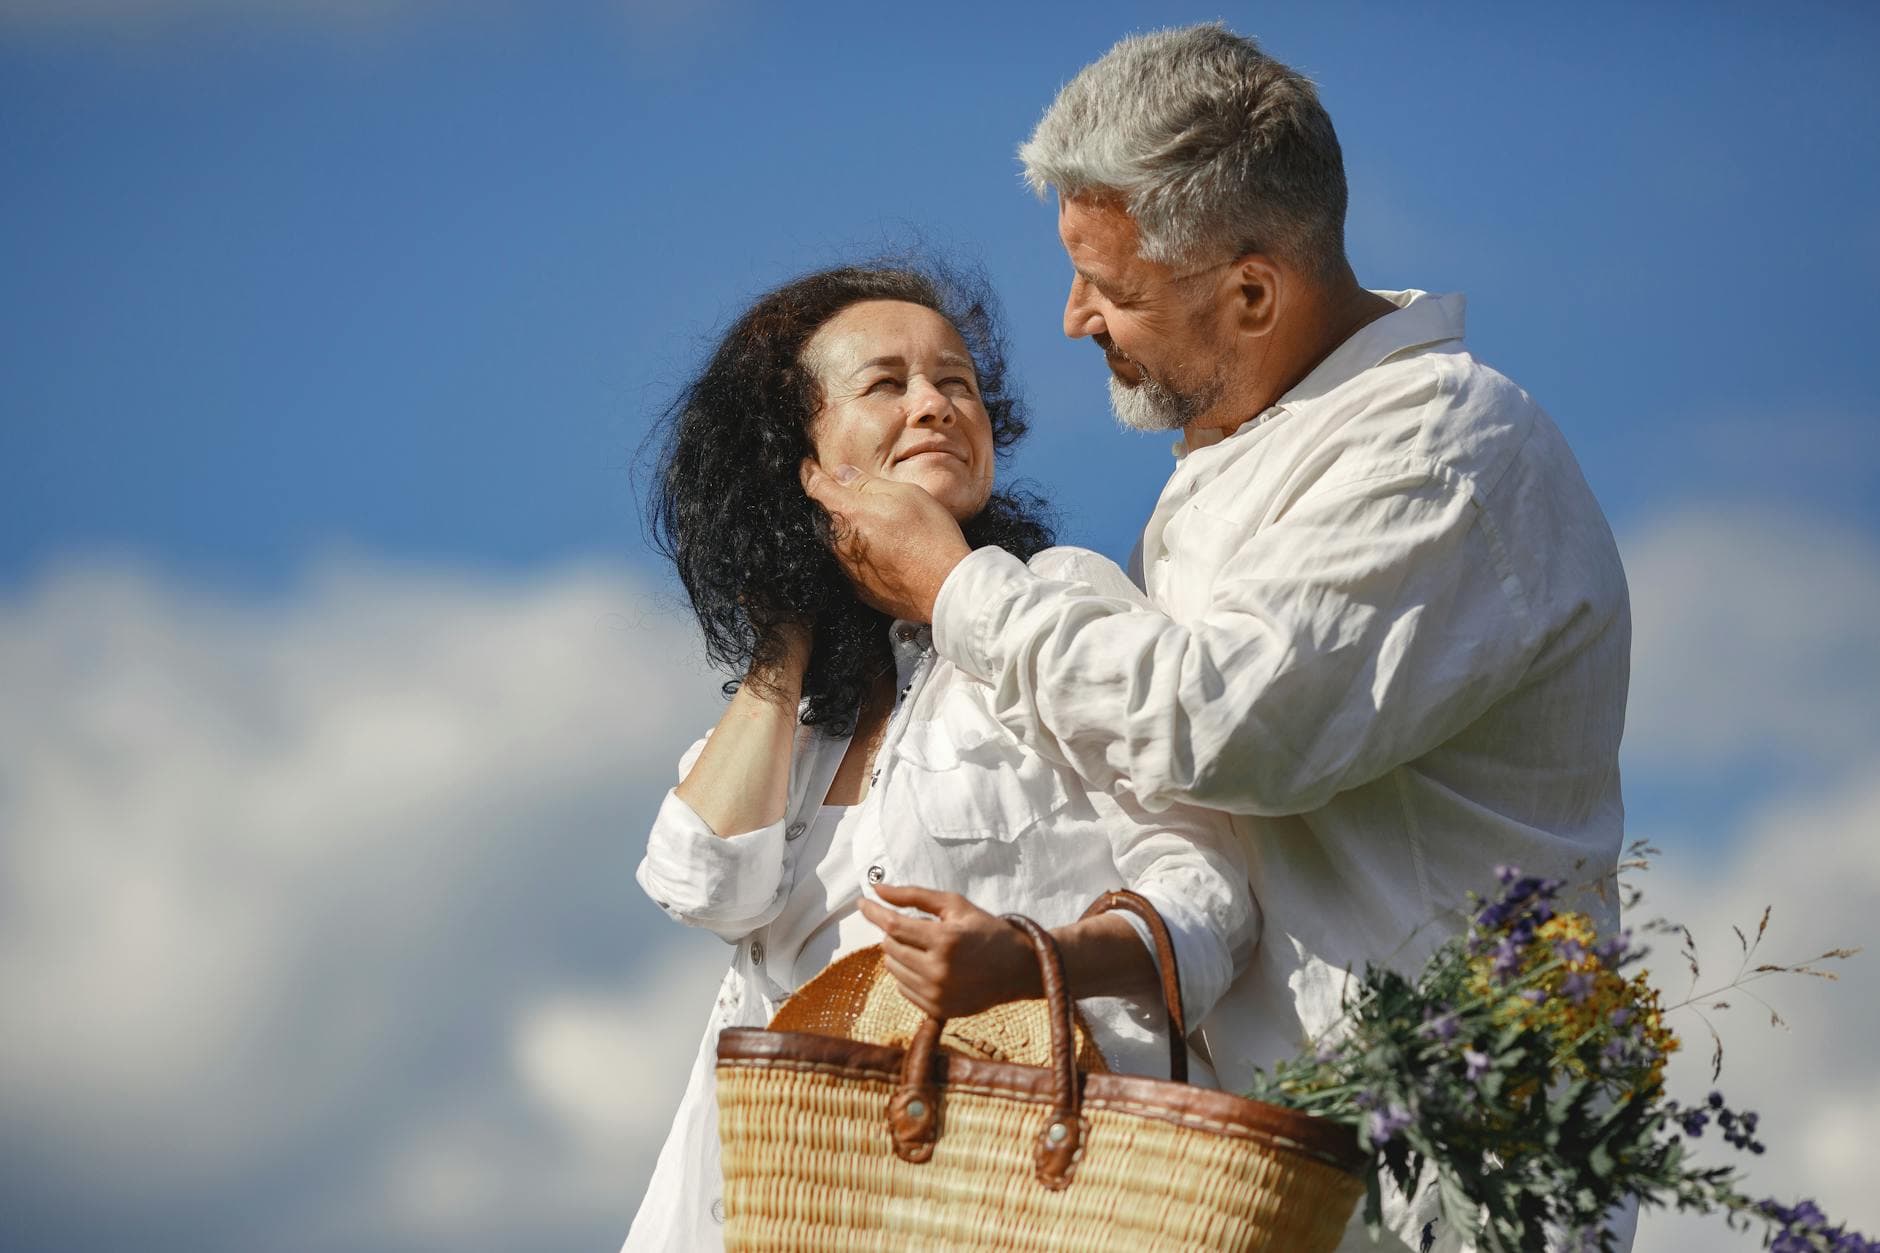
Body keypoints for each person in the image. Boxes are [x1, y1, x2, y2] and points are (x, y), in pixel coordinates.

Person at [801, 25, 1632, 1253]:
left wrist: (958, 587)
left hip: (1444, 1175)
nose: (1074, 318)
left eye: (1113, 286)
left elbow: (1225, 726)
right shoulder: (1237, 462)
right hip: (1258, 1165)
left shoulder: (1442, 447)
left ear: (1251, 291)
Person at [623, 262, 1256, 1252]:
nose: (933, 404)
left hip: (1033, 1198)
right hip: (784, 1210)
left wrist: (1025, 960)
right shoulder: (802, 714)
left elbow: (1213, 899)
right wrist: (788, 624)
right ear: (797, 454)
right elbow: (700, 878)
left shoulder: (1058, 603)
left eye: (955, 382)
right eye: (885, 383)